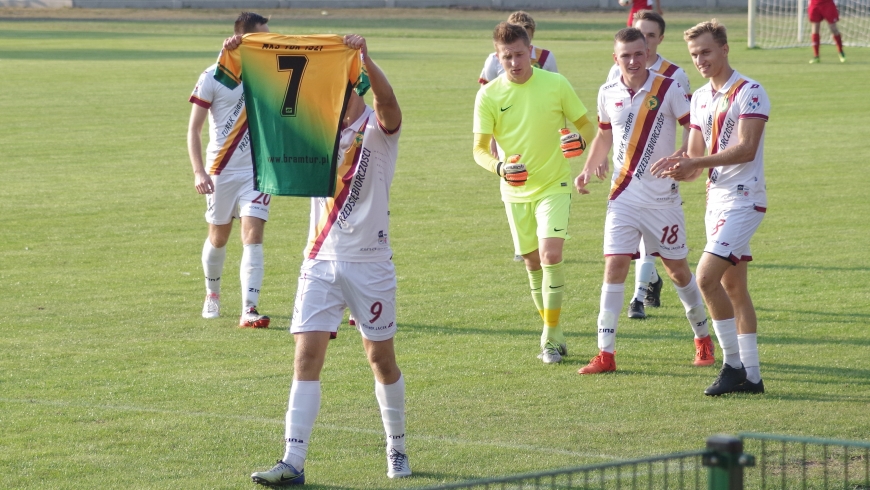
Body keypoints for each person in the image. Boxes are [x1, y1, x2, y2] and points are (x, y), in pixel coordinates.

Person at [249, 34, 410, 485]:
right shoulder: (316, 135)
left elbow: (389, 99)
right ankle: (292, 461)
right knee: (306, 356)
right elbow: (269, 95)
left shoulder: (380, 131)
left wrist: (367, 58)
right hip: (319, 259)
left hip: (371, 262)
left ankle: (396, 447)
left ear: (352, 88)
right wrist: (242, 47)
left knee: (380, 359)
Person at [575, 27, 712, 375]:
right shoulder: (607, 92)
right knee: (614, 265)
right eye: (626, 56)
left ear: (648, 51)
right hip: (622, 196)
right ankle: (605, 353)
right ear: (615, 58)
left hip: (663, 200)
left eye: (639, 53)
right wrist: (588, 169)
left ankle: (703, 338)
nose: (634, 61)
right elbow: (604, 134)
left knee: (678, 271)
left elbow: (693, 124)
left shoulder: (668, 87)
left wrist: (685, 154)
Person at [650, 19, 770, 396]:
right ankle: (752, 377)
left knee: (705, 278)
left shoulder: (750, 91)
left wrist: (694, 165)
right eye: (694, 54)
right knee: (733, 286)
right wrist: (677, 163)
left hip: (745, 199)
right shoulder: (700, 97)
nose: (700, 59)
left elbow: (746, 148)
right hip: (715, 201)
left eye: (705, 51)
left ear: (724, 49)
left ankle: (731, 365)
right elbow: (695, 155)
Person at [473, 22, 595, 364]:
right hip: (515, 191)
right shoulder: (489, 95)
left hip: (554, 184)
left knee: (551, 255)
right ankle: (552, 329)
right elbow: (479, 150)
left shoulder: (555, 84)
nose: (513, 62)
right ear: (497, 58)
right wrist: (500, 168)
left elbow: (587, 126)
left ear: (531, 51)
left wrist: (579, 142)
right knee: (531, 263)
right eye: (506, 57)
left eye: (519, 54)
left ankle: (551, 338)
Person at [604, 10, 693, 320]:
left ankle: (644, 289)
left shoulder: (673, 77)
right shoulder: (615, 76)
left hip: (661, 183)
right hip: (627, 182)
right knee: (628, 250)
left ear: (657, 40)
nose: (645, 42)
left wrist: (686, 155)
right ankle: (640, 294)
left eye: (651, 36)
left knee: (669, 259)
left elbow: (692, 125)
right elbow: (610, 126)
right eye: (640, 34)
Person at [187, 12, 271, 328]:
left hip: (258, 172)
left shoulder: (268, 74)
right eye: (263, 37)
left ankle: (249, 308)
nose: (269, 41)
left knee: (253, 236)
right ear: (245, 39)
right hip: (220, 171)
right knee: (219, 237)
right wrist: (199, 172)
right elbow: (193, 129)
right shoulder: (212, 76)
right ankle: (212, 294)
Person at [479, 11, 560, 262]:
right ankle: (523, 243)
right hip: (508, 128)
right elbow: (486, 94)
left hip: (540, 129)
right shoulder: (494, 59)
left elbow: (556, 91)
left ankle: (542, 234)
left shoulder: (545, 57)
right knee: (514, 177)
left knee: (544, 181)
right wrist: (491, 136)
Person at [478, 11, 558, 85]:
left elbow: (555, 87)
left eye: (526, 38)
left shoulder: (545, 57)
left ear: (532, 35)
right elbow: (485, 90)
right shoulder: (494, 59)